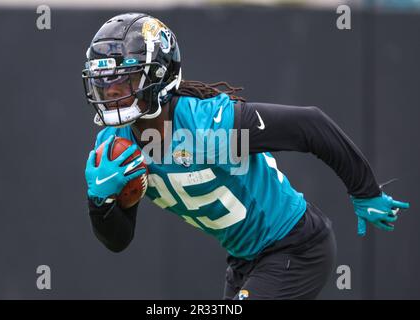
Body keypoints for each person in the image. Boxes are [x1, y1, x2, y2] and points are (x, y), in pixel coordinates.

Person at [82, 13, 410, 300]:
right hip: (244, 260)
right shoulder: (115, 146)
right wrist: (101, 203)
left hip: (295, 247)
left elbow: (311, 125)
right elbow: (118, 241)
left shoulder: (209, 124)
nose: (113, 95)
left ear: (158, 76)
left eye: (124, 82)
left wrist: (364, 190)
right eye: (106, 86)